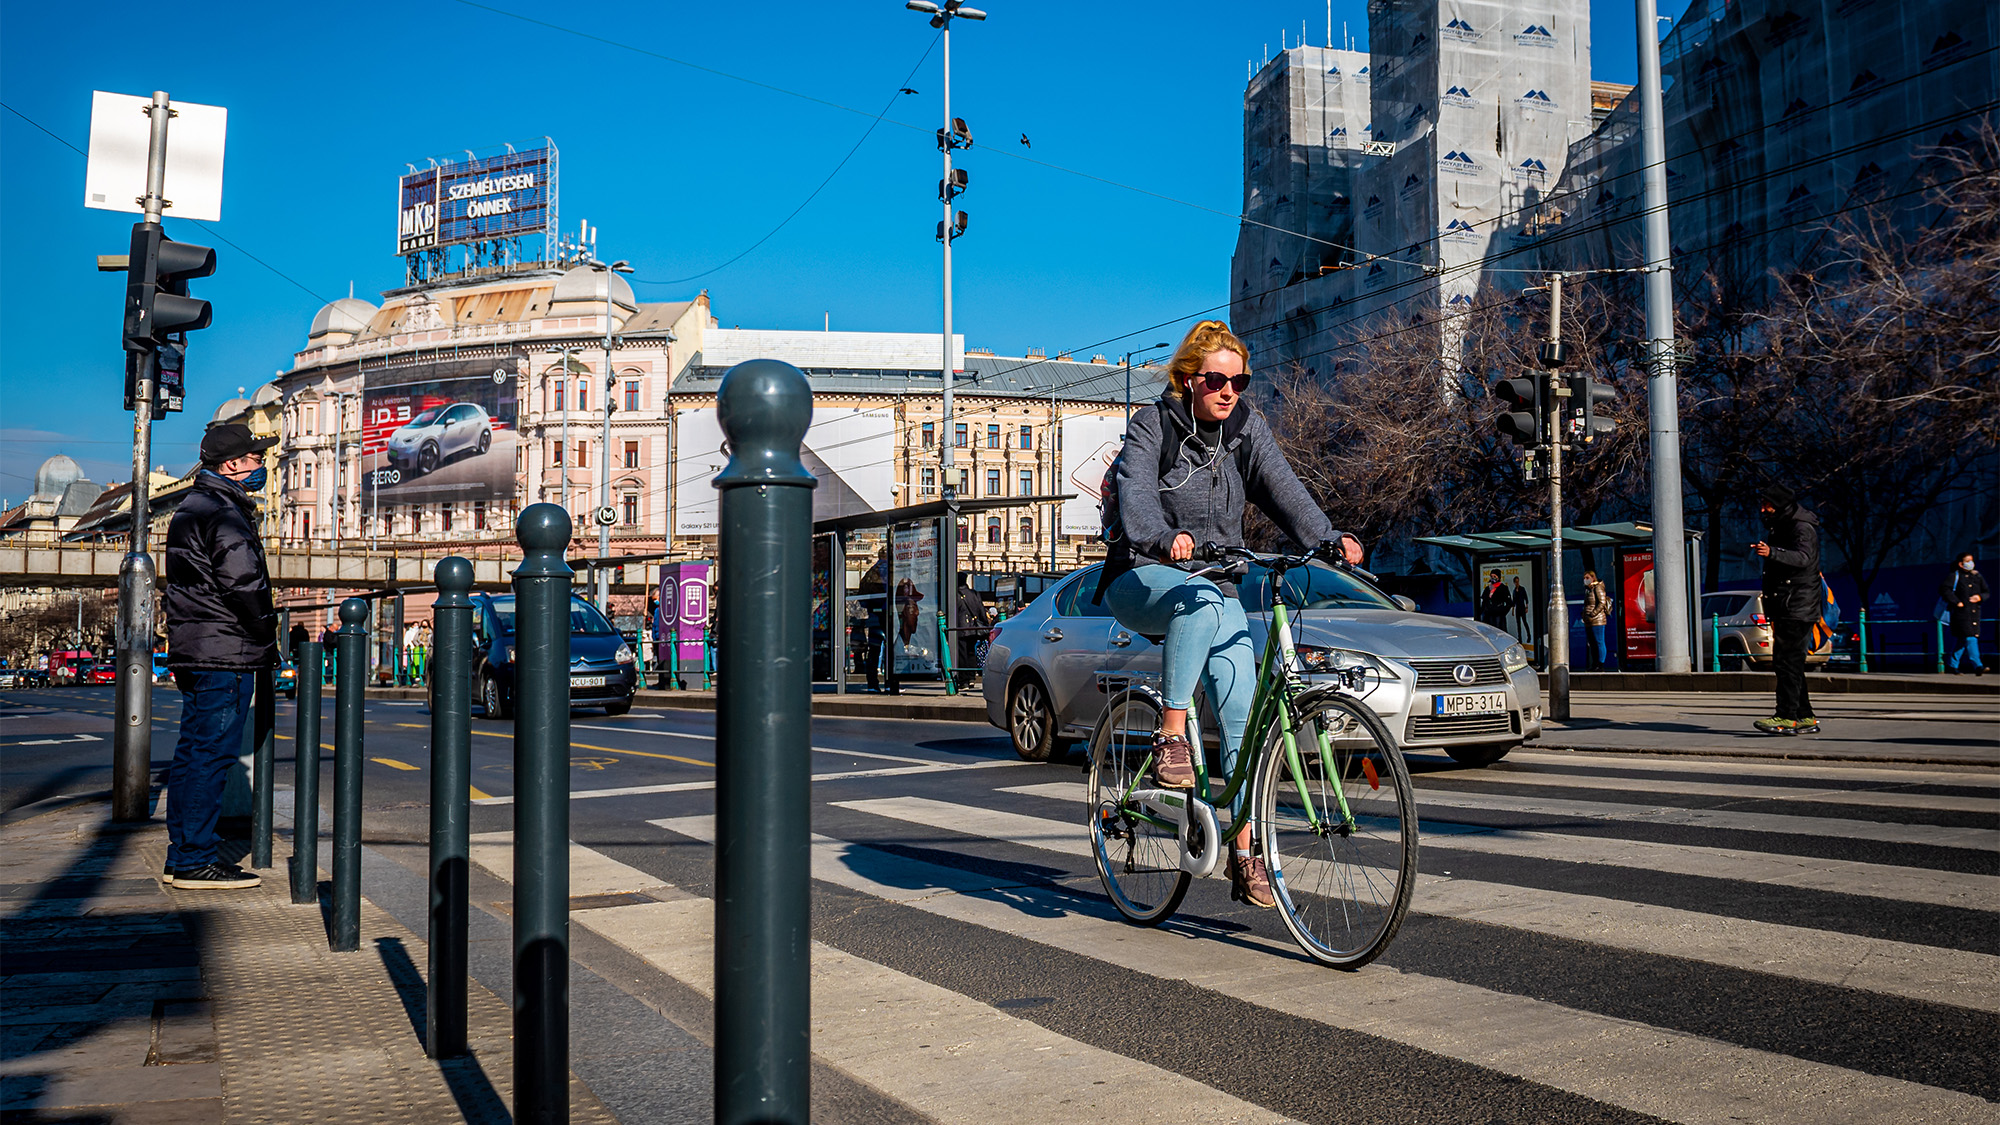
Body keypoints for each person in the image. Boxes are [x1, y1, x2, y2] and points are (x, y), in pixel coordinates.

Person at [1103, 319, 1361, 910]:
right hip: (1142, 576)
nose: (1230, 391)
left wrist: (1326, 537)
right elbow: (1136, 495)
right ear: (1189, 379)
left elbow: (1283, 487)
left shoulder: (1246, 429)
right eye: (1217, 379)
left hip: (1217, 588)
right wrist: (1163, 537)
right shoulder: (1153, 426)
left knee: (1245, 724)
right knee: (1199, 601)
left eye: (1240, 380)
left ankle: (1246, 855)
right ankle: (1170, 738)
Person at [160, 423, 279, 889]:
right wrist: (267, 635)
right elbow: (244, 586)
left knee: (193, 753)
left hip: (198, 647)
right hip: (224, 651)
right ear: (232, 465)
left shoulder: (193, 507)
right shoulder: (225, 513)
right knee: (211, 755)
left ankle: (184, 853)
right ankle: (195, 860)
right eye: (255, 459)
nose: (261, 466)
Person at [1752, 483, 1821, 734]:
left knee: (1786, 663)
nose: (1763, 508)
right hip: (1788, 603)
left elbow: (1803, 558)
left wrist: (1773, 552)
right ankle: (1805, 717)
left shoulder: (1802, 527)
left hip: (1797, 605)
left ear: (1779, 504)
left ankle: (1786, 717)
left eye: (1767, 503)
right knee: (1790, 663)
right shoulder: (1784, 525)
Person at [1939, 552, 1987, 675]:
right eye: (1968, 561)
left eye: (1972, 560)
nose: (1971, 563)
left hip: (1974, 613)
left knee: (1962, 640)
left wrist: (1980, 597)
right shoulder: (1954, 576)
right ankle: (1978, 665)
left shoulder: (1977, 577)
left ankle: (1952, 665)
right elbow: (1945, 590)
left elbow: (1986, 592)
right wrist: (1956, 602)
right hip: (1961, 614)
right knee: (1971, 637)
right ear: (1961, 564)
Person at [955, 575, 991, 687]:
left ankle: (963, 680)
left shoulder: (955, 594)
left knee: (961, 654)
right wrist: (985, 624)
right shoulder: (974, 593)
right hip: (973, 627)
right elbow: (981, 611)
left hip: (960, 627)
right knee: (971, 652)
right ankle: (971, 677)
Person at [1581, 569, 1612, 671]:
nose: (1585, 580)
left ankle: (1600, 664)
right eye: (1584, 578)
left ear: (1593, 577)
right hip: (1589, 620)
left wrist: (1593, 613)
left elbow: (1602, 602)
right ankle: (1594, 664)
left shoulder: (1597, 587)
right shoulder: (1588, 589)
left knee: (1599, 642)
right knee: (1592, 643)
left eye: (1587, 578)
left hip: (1598, 620)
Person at [1511, 576, 1531, 643]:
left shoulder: (1522, 589)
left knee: (1524, 622)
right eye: (1516, 582)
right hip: (1517, 608)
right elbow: (1514, 601)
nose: (1517, 583)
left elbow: (1526, 598)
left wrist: (1526, 607)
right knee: (1518, 624)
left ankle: (1529, 635)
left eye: (1518, 581)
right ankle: (1520, 638)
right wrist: (1513, 610)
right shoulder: (1514, 591)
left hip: (1522, 607)